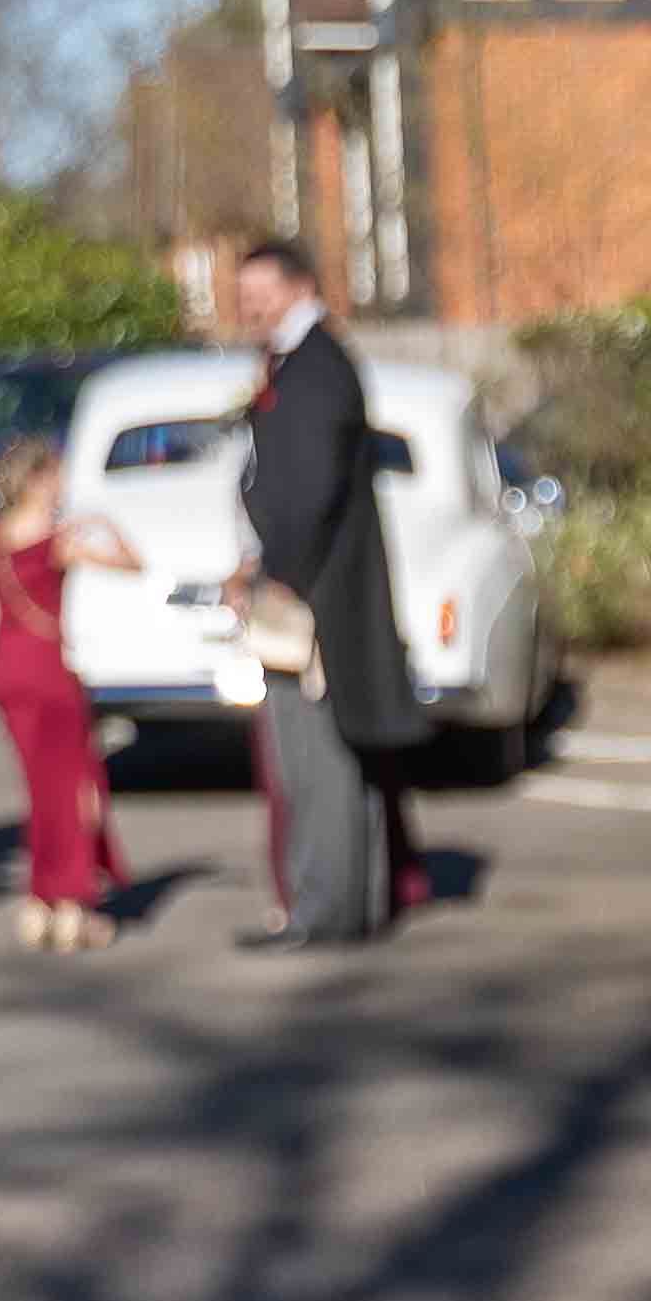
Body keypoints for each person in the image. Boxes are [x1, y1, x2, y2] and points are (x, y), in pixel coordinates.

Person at [226, 235, 422, 949]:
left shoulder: (313, 371)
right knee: (326, 757)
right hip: (320, 591)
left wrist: (268, 575)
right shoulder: (307, 365)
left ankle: (327, 910)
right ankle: (347, 904)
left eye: (261, 293)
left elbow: (305, 494)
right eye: (243, 295)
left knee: (317, 760)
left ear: (301, 287)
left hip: (314, 602)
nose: (249, 307)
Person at [0, 438, 136, 949]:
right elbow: (130, 564)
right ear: (40, 480)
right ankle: (70, 902)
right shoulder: (58, 539)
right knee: (76, 787)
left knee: (40, 789)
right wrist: (105, 528)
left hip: (6, 668)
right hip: (48, 668)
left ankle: (40, 899)